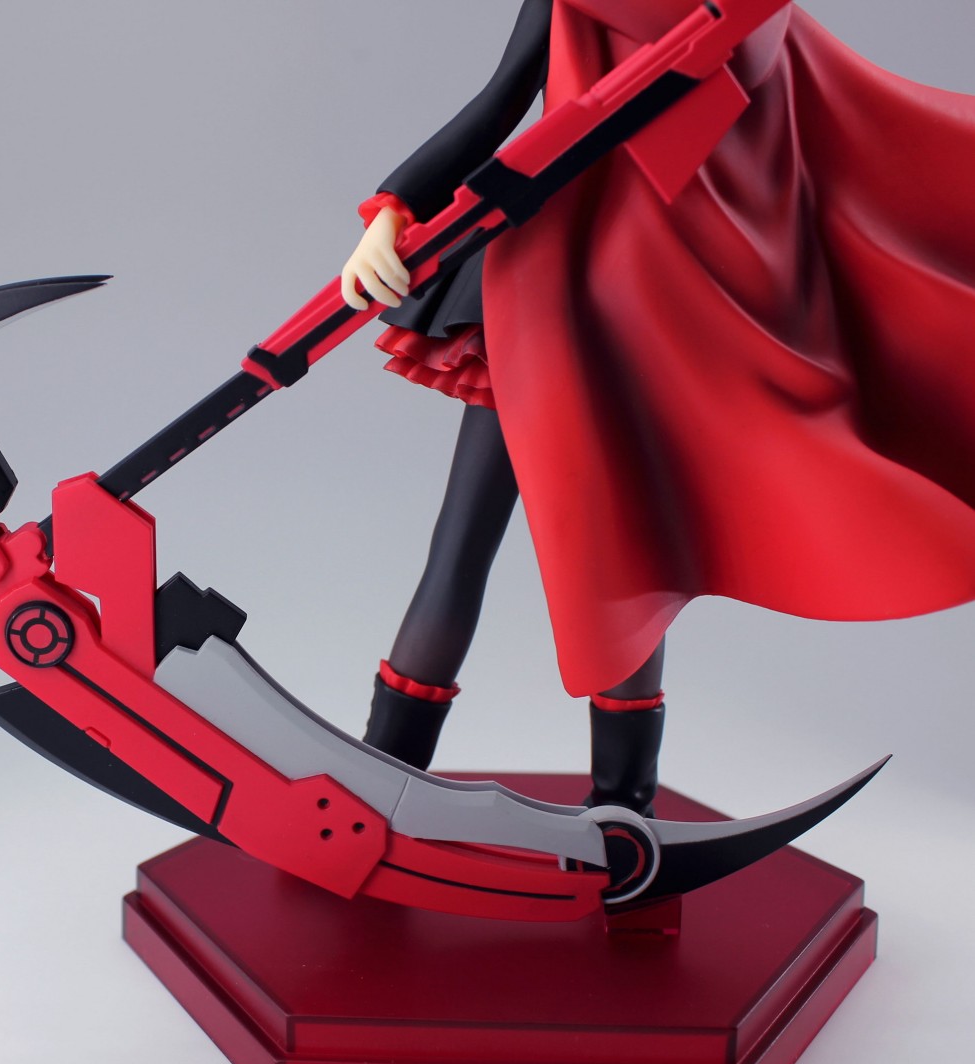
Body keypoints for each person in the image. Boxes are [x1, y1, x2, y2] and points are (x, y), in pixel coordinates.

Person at [341, 0, 975, 815]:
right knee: (586, 555)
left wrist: (393, 206)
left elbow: (512, 100)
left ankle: (451, 792)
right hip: (602, 293)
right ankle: (596, 807)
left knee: (523, 550)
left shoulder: (747, 15)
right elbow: (509, 103)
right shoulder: (753, 15)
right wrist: (394, 206)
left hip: (585, 290)